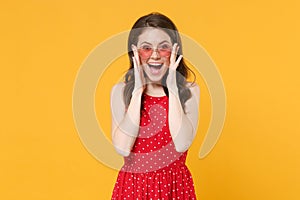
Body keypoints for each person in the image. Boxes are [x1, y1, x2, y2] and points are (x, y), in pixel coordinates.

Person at [110, 12, 200, 200]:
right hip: (133, 188)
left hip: (175, 188)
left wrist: (173, 89)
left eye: (164, 47)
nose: (156, 55)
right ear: (135, 52)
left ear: (175, 50)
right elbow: (122, 148)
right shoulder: (120, 92)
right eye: (147, 48)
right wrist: (137, 92)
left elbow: (182, 143)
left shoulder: (189, 91)